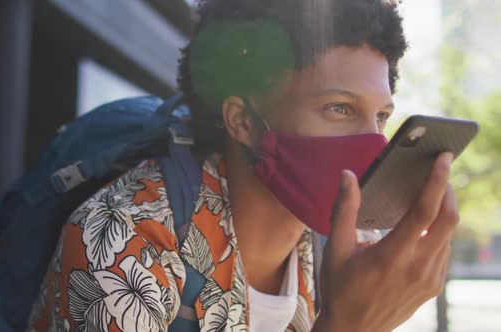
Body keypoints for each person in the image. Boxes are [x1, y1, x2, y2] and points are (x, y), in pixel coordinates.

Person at [29, 0, 459, 331]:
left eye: (381, 117)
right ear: (243, 121)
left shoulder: (351, 244)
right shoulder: (123, 238)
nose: (373, 144)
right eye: (339, 108)